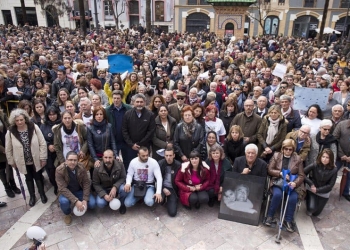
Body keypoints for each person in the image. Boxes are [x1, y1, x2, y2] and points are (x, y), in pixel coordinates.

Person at [5, 109, 48, 207]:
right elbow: (8, 148)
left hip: (35, 159)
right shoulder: (11, 131)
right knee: (28, 178)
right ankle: (32, 196)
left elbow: (42, 143)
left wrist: (43, 157)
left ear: (25, 118)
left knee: (38, 177)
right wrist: (11, 161)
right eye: (17, 120)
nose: (19, 122)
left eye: (21, 120)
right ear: (14, 121)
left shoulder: (33, 127)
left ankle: (42, 194)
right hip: (22, 161)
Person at [265, 139, 305, 233]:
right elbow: (269, 169)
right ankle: (270, 215)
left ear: (293, 150)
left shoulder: (298, 159)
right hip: (278, 182)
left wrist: (295, 183)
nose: (288, 151)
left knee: (293, 198)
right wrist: (280, 173)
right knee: (277, 195)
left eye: (290, 149)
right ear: (282, 149)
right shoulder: (276, 155)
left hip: (292, 183)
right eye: (286, 149)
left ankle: (288, 220)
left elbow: (301, 175)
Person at [56, 151, 96, 225]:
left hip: (79, 190)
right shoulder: (59, 170)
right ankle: (67, 214)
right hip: (67, 192)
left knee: (92, 204)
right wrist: (75, 201)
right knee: (64, 202)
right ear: (66, 160)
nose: (73, 162)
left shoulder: (81, 167)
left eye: (75, 160)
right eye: (70, 160)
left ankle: (82, 204)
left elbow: (86, 182)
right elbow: (62, 189)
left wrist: (85, 198)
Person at [122, 93, 156, 169]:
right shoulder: (127, 114)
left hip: (145, 146)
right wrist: (131, 144)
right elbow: (124, 130)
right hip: (131, 147)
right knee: (131, 166)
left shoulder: (150, 115)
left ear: (145, 102)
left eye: (141, 102)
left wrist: (140, 144)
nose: (139, 104)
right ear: (133, 102)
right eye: (137, 102)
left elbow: (151, 131)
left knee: (144, 166)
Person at [92, 150, 128, 214]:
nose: (108, 160)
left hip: (116, 186)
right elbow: (95, 184)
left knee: (124, 190)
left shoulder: (120, 164)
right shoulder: (97, 168)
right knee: (100, 203)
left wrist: (115, 187)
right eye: (105, 157)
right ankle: (108, 201)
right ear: (102, 157)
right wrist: (104, 195)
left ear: (113, 157)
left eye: (110, 157)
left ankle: (122, 204)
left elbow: (123, 177)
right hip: (104, 188)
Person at [304, 149, 337, 216]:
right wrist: (311, 183)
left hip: (324, 192)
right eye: (323, 157)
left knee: (316, 213)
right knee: (311, 208)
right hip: (312, 189)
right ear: (320, 157)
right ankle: (308, 198)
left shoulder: (334, 169)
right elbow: (302, 173)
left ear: (330, 159)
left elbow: (330, 185)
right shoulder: (315, 164)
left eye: (327, 157)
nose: (324, 159)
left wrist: (318, 190)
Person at [40, 106, 61, 195]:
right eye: (50, 115)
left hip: (60, 151)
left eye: (54, 114)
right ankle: (55, 186)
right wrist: (48, 145)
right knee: (51, 171)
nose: (52, 116)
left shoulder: (61, 123)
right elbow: (41, 138)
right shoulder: (44, 125)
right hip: (49, 153)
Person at [0, 109, 21, 198]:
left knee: (10, 166)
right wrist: (2, 149)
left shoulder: (2, 115)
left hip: (7, 143)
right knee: (1, 170)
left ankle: (13, 184)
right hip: (0, 150)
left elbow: (9, 127)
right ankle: (7, 187)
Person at [158, 147, 181, 217]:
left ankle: (171, 200)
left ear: (174, 155)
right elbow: (157, 178)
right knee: (157, 201)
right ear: (164, 155)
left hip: (172, 189)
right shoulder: (160, 163)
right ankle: (164, 199)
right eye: (166, 155)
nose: (168, 157)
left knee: (172, 213)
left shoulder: (178, 165)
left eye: (170, 155)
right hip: (162, 186)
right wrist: (163, 188)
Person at [333, 119, 350, 202]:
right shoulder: (341, 124)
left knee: (348, 176)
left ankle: (345, 192)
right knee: (332, 171)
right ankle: (326, 189)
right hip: (339, 155)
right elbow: (335, 139)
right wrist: (341, 154)